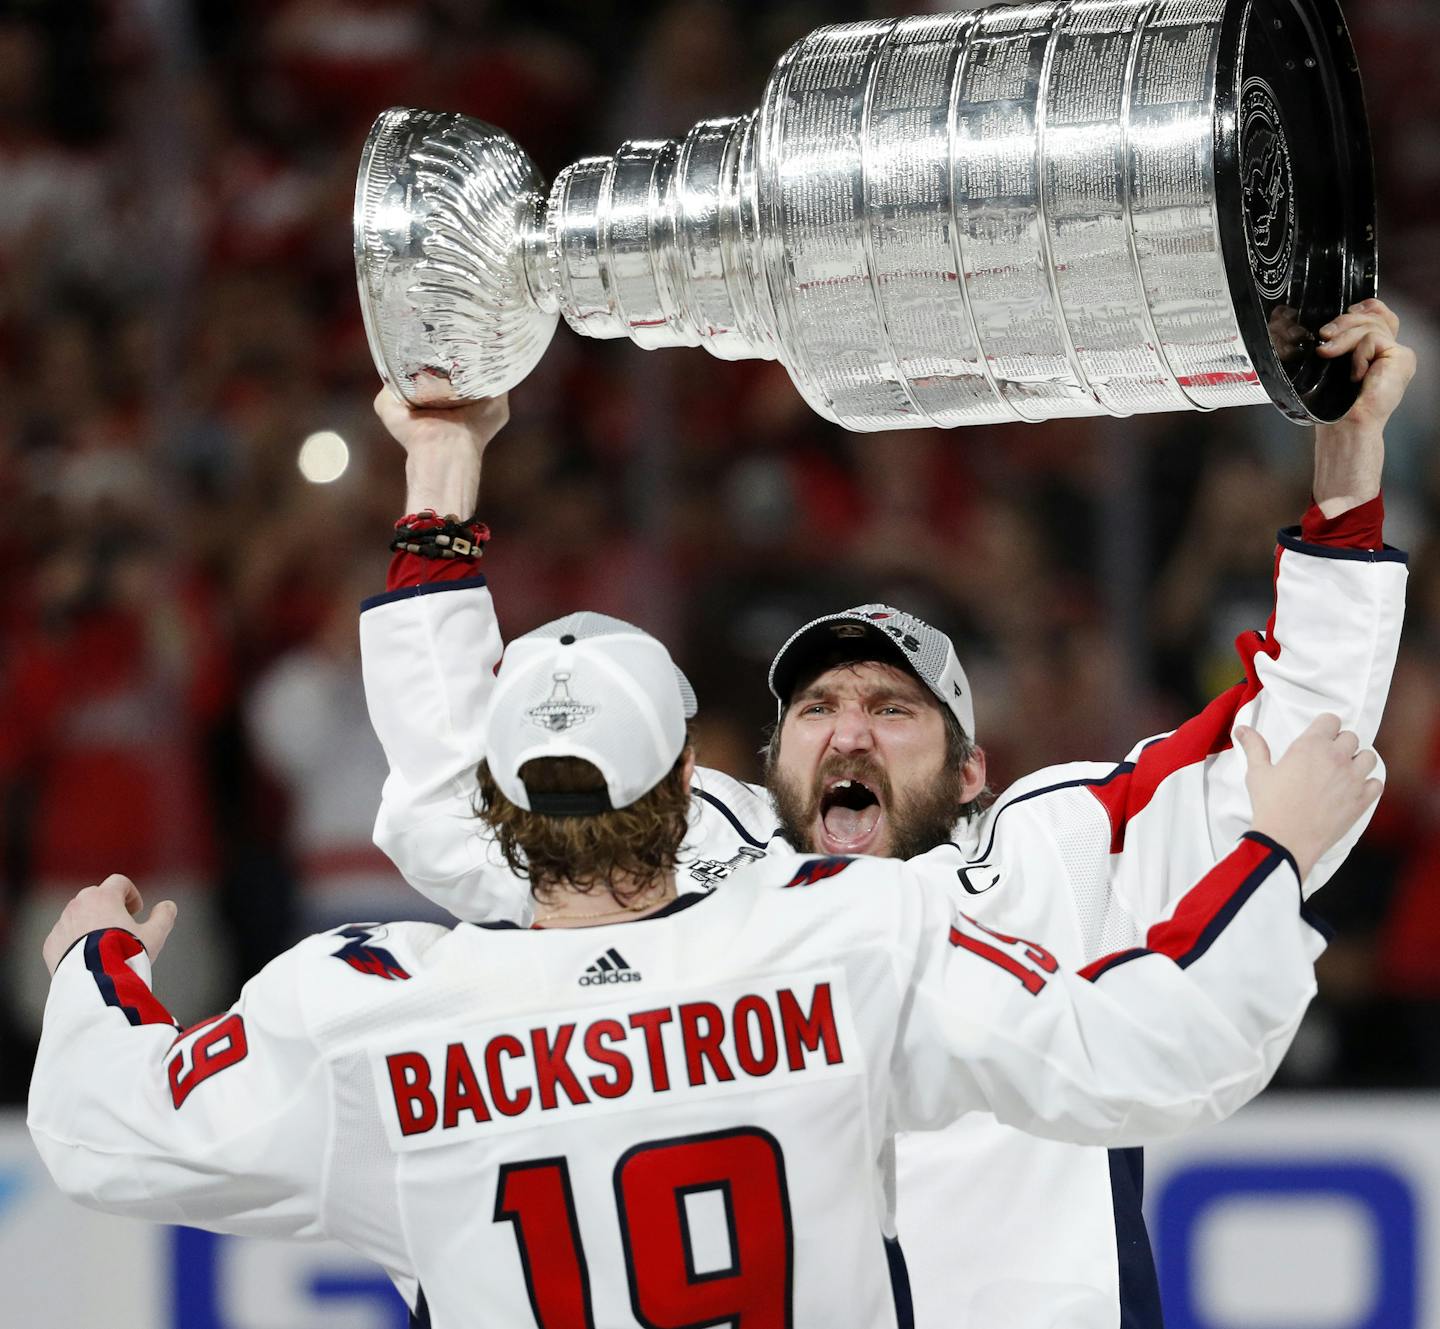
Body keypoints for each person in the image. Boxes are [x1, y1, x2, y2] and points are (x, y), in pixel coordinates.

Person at [361, 300, 1414, 1327]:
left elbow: (1306, 744)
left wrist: (1347, 459)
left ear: (970, 772)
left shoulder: (1063, 846)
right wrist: (440, 477)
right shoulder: (686, 857)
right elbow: (470, 794)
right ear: (774, 758)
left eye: (892, 707)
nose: (849, 731)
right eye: (817, 707)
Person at [30, 613, 1379, 1328]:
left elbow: (101, 1130)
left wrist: (96, 963)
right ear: (692, 775)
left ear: (494, 800)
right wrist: (1269, 854)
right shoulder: (826, 942)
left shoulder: (373, 1011)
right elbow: (1167, 1045)